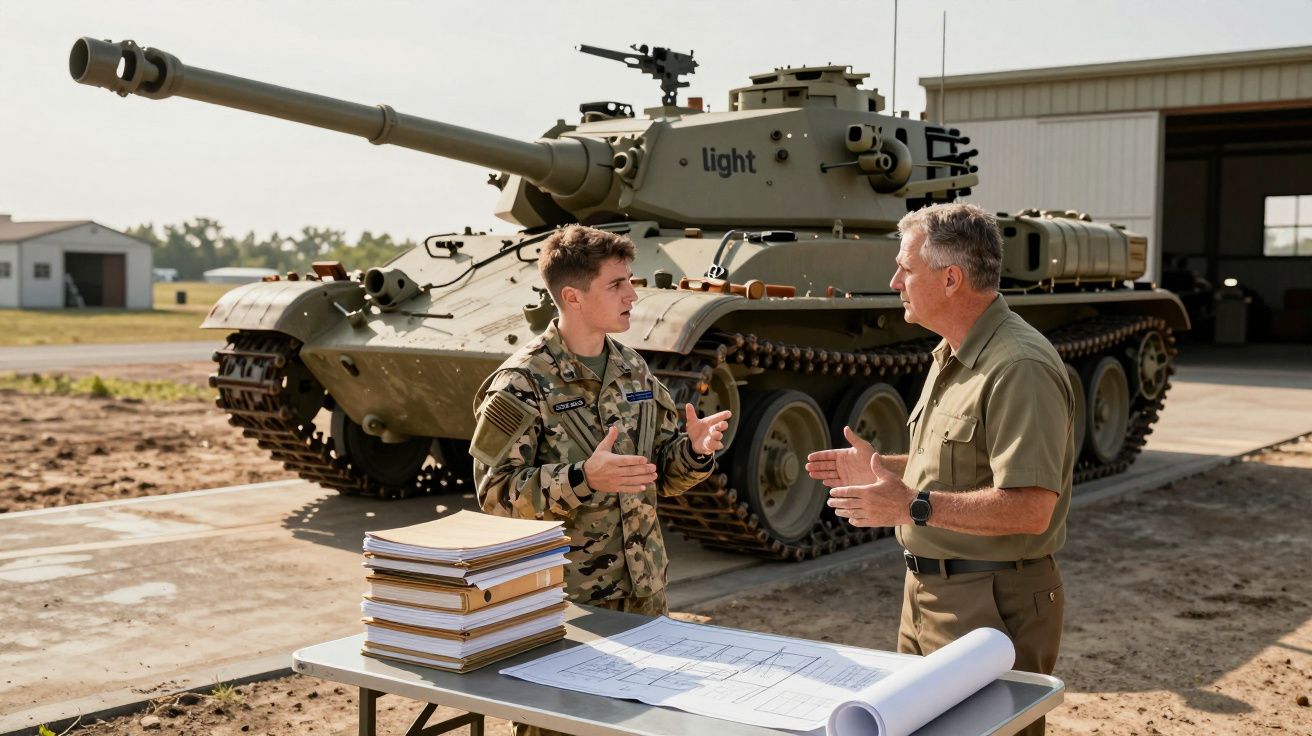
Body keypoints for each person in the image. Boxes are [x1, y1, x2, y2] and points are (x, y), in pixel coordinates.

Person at [806, 202, 1073, 736]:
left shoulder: (1018, 367)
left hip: (992, 608)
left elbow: (1031, 508)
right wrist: (881, 467)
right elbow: (951, 462)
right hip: (929, 595)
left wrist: (911, 505)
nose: (894, 280)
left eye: (906, 267)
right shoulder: (951, 353)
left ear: (950, 279)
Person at [471, 224, 731, 617]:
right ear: (572, 297)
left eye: (629, 280)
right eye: (615, 285)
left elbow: (660, 473)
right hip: (565, 602)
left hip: (645, 591)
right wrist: (584, 478)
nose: (632, 294)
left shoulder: (633, 367)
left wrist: (693, 451)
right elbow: (495, 498)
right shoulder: (522, 382)